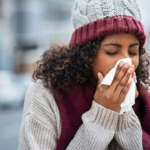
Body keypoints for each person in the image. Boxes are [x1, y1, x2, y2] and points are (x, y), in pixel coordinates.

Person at [18, 0, 150, 149]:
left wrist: (124, 111)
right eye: (112, 52)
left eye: (133, 52)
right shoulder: (46, 95)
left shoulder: (143, 99)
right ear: (86, 54)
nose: (127, 62)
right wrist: (102, 116)